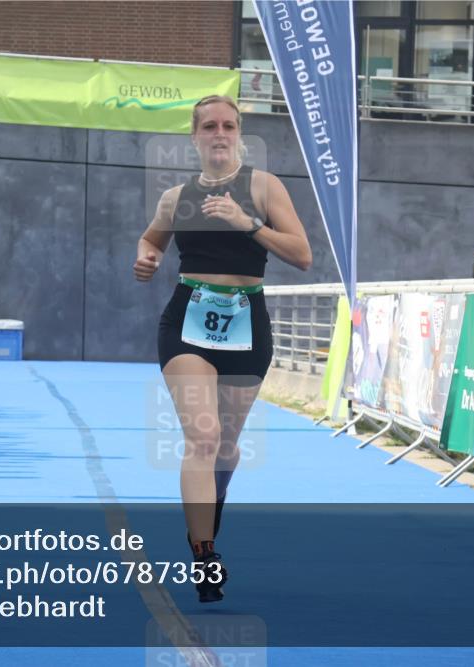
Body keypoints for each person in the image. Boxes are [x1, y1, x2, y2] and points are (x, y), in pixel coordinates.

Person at [133, 95, 312, 603]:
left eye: (228, 125)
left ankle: (211, 507)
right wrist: (145, 260)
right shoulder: (174, 197)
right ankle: (204, 555)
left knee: (227, 446)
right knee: (204, 437)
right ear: (194, 136)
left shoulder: (263, 186)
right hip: (187, 322)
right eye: (209, 125)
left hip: (246, 323)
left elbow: (302, 255)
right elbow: (151, 242)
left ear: (239, 133)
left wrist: (247, 223)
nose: (219, 133)